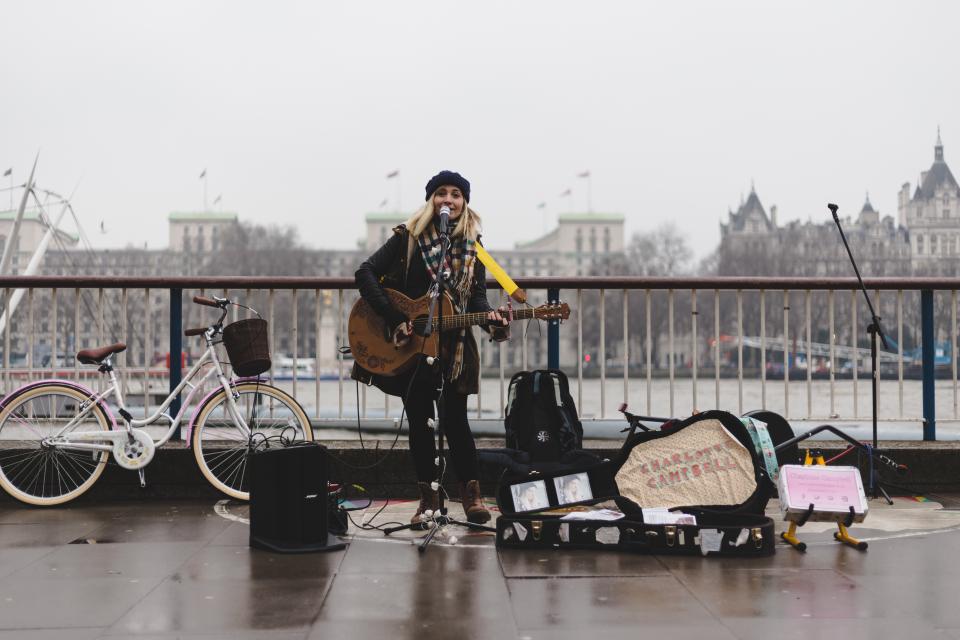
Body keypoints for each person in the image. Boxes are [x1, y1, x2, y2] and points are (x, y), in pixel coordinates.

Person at [353, 170, 509, 526]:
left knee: (456, 421)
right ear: (431, 201)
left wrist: (492, 320)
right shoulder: (407, 239)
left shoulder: (474, 247)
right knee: (420, 422)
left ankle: (471, 496)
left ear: (464, 203)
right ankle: (428, 499)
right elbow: (364, 273)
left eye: (456, 194)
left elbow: (477, 300)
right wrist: (395, 318)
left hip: (454, 348)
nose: (449, 200)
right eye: (442, 193)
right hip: (412, 348)